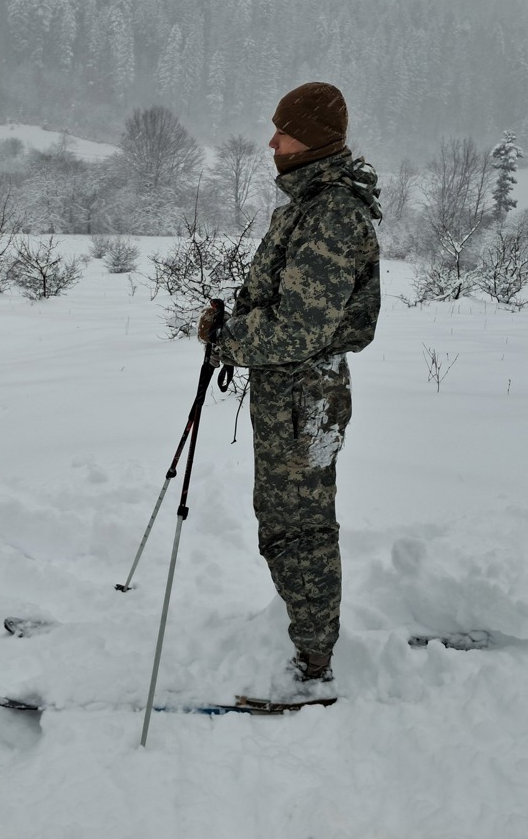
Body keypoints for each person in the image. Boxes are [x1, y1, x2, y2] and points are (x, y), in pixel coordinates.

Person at [199, 81, 382, 683]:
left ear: (315, 141)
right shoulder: (307, 204)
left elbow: (298, 331)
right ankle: (307, 634)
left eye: (284, 130)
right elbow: (280, 305)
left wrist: (229, 341)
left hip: (306, 394)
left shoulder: (332, 214)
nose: (272, 141)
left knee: (298, 527)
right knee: (283, 520)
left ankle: (314, 661)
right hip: (291, 392)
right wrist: (234, 319)